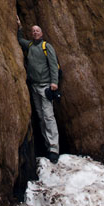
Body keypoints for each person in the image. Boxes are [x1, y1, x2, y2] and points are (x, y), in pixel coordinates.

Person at [17, 18, 60, 163]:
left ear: (41, 33)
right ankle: (48, 146)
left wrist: (54, 83)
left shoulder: (46, 46)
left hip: (46, 86)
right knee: (41, 117)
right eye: (33, 31)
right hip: (34, 87)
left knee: (48, 116)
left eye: (37, 31)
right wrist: (19, 26)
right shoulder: (29, 45)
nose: (35, 33)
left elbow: (53, 65)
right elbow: (20, 40)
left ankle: (54, 147)